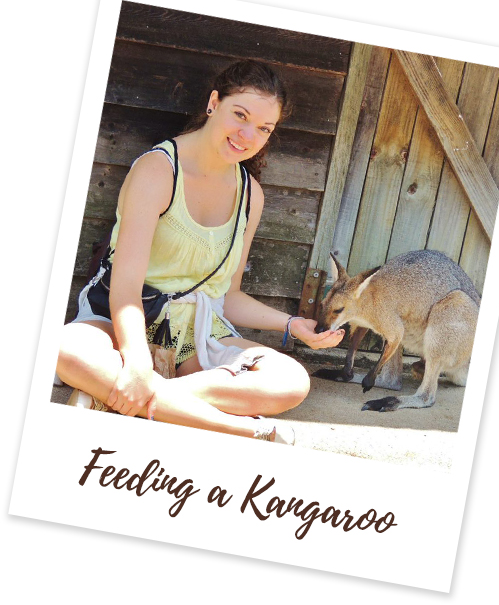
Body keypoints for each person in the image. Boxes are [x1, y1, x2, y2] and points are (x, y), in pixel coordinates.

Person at [57, 59, 345, 445]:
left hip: (198, 335)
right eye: (239, 115)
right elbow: (124, 291)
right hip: (122, 321)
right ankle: (246, 429)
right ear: (214, 102)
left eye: (264, 128)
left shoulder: (250, 196)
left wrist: (293, 326)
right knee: (64, 350)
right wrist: (139, 364)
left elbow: (228, 297)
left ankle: (130, 399)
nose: (247, 135)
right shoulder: (159, 171)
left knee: (292, 382)